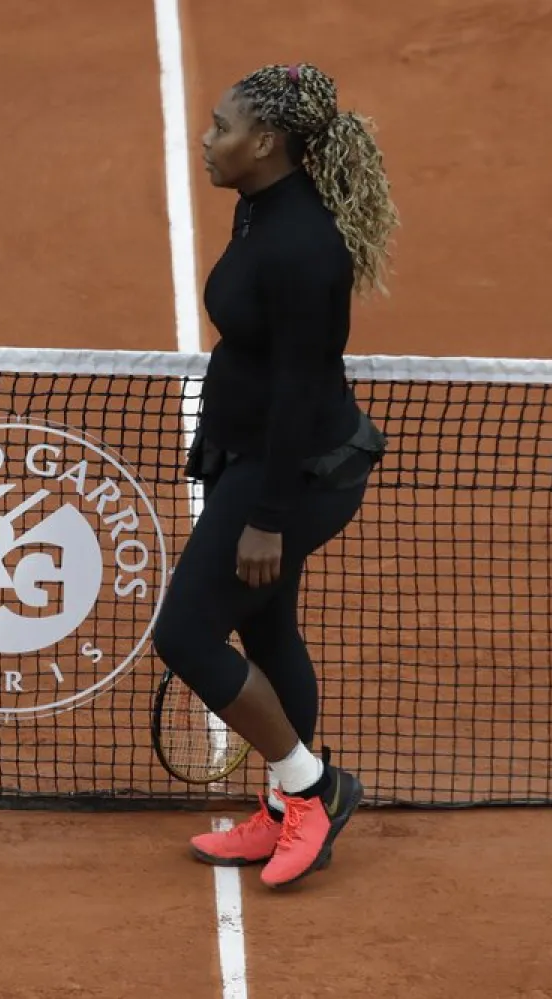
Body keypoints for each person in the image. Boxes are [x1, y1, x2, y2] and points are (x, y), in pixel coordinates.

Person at [151, 63, 398, 888]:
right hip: (256, 458)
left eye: (221, 127)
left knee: (185, 634)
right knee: (266, 630)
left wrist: (266, 516)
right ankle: (284, 806)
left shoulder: (302, 248)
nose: (206, 140)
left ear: (265, 142)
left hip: (294, 476)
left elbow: (298, 389)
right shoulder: (259, 206)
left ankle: (313, 789)